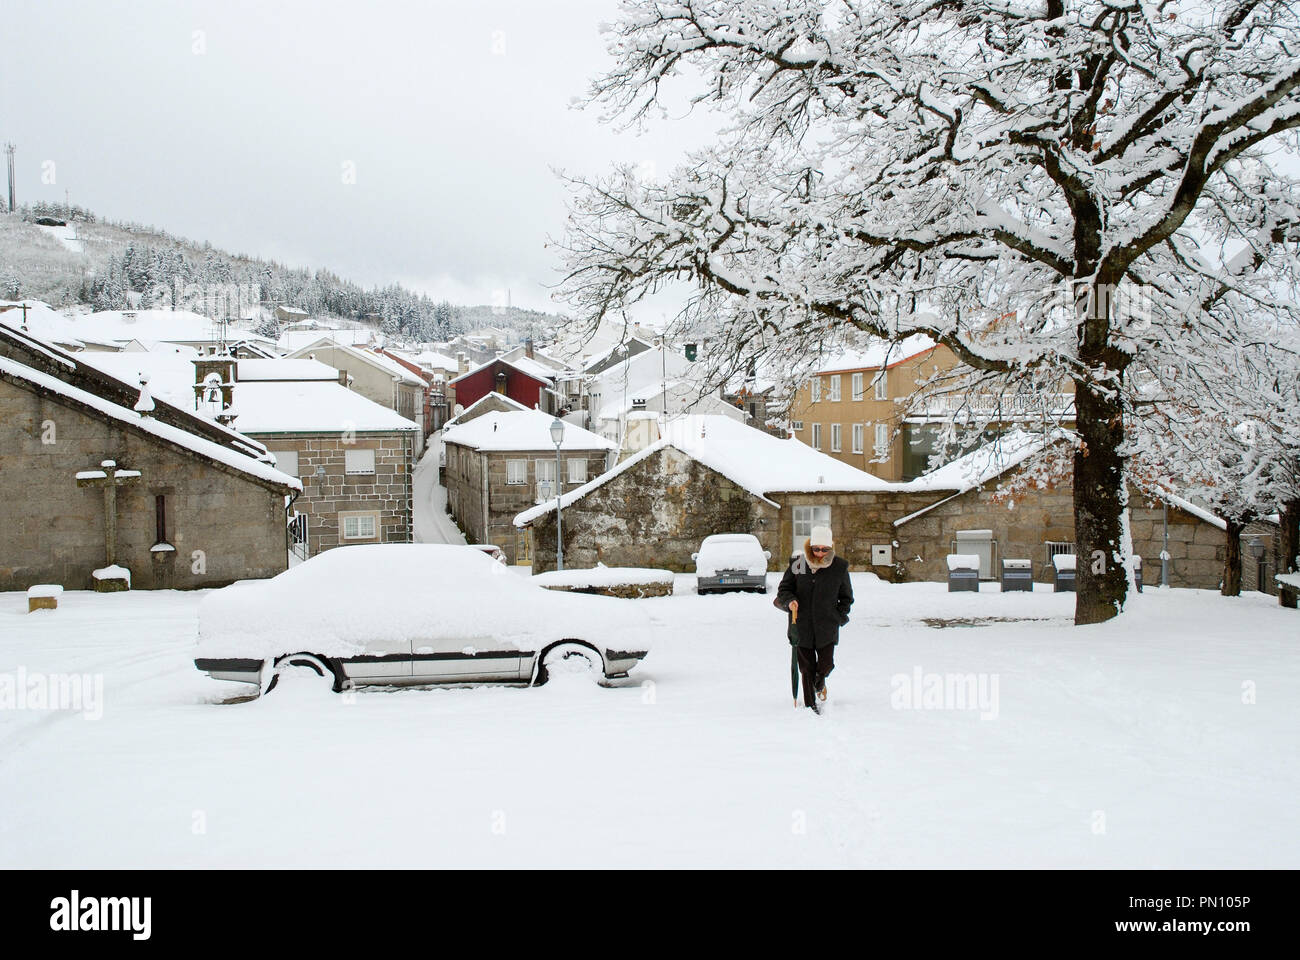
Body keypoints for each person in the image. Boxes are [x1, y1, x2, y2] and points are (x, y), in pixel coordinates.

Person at [774, 525, 853, 713]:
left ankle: (820, 683)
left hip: (827, 625)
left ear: (830, 548)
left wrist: (838, 617)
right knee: (806, 668)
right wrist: (790, 601)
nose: (819, 553)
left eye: (824, 549)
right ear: (810, 547)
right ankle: (810, 705)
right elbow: (784, 589)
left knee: (826, 664)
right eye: (816, 549)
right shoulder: (798, 563)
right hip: (801, 624)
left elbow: (847, 598)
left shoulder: (839, 567)